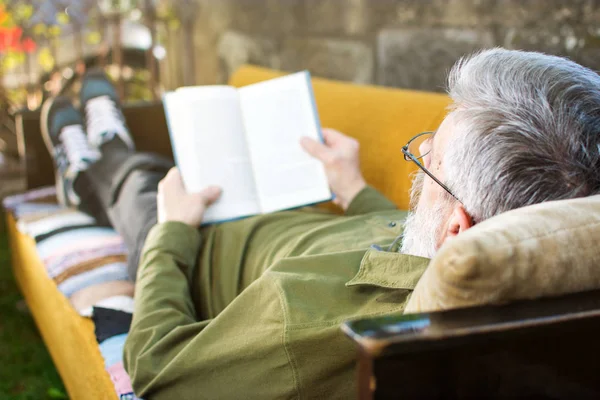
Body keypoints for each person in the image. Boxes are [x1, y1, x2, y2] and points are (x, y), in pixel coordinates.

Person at [41, 48, 600, 399]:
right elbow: (404, 237)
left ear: (459, 229)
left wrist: (172, 234)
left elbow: (160, 371)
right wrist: (354, 187)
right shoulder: (487, 253)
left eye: (430, 159)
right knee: (160, 172)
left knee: (145, 183)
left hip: (202, 243)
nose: (422, 149)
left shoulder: (310, 329)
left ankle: (97, 157)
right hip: (287, 215)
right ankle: (100, 158)